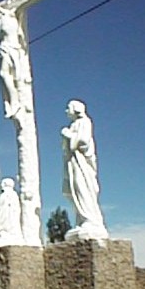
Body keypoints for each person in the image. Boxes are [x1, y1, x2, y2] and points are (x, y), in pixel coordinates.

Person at [61, 100, 108, 240]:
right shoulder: (74, 124)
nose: (66, 111)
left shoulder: (85, 122)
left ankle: (90, 220)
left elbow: (83, 142)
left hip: (82, 164)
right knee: (74, 189)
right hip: (73, 163)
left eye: (68, 108)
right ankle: (81, 220)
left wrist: (68, 135)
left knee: (83, 188)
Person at [0, 3, 32, 119]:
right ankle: (10, 102)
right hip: (3, 48)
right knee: (3, 74)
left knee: (13, 76)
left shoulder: (10, 15)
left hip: (12, 48)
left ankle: (15, 102)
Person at [0, 177, 24, 247]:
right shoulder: (15, 195)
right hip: (12, 217)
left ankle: (5, 232)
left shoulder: (3, 195)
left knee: (7, 223)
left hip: (6, 216)